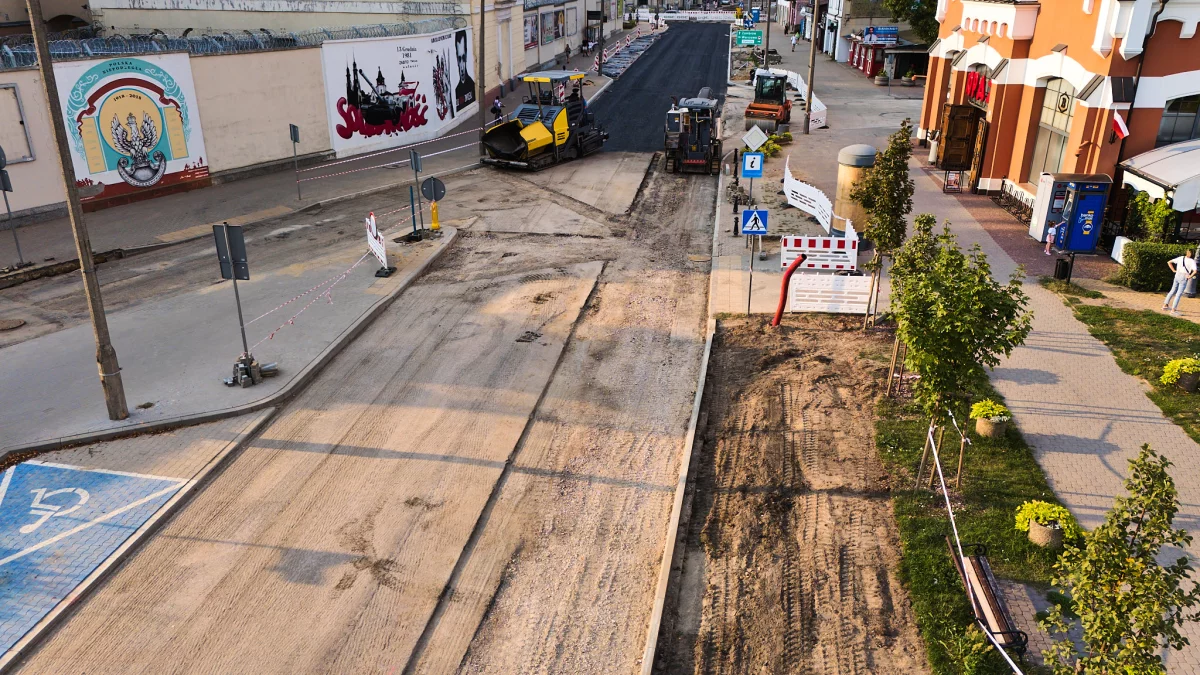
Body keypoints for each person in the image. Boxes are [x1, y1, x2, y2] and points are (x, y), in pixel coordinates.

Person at [1163, 249, 1197, 315]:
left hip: (1177, 275)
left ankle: (1165, 305)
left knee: (1172, 291)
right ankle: (1173, 310)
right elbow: (1195, 271)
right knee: (1178, 294)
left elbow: (1169, 262)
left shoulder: (1181, 258)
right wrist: (1189, 277)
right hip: (1184, 277)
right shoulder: (1192, 261)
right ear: (1193, 254)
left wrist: (1173, 270)